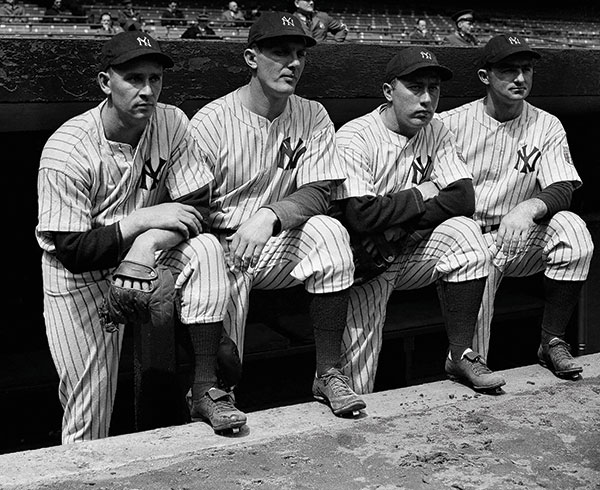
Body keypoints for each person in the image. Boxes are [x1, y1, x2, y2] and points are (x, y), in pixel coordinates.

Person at [36, 31, 239, 443]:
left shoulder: (171, 120)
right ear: (104, 82)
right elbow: (73, 250)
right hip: (80, 281)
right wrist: (141, 220)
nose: (147, 90)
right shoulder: (67, 150)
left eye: (155, 78)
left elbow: (197, 207)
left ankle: (204, 381)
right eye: (133, 78)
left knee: (204, 247)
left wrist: (146, 245)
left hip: (149, 256)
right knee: (88, 412)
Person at [188, 11, 366, 418]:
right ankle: (208, 392)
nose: (293, 63)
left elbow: (321, 191)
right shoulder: (211, 122)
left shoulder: (313, 114)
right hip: (221, 244)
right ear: (252, 58)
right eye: (280, 52)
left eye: (300, 54)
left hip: (277, 237)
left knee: (329, 232)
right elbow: (191, 205)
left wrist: (269, 216)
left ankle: (327, 372)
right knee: (224, 360)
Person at [331, 46, 505, 395]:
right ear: (388, 91)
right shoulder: (356, 136)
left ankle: (461, 353)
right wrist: (420, 193)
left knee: (465, 232)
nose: (426, 99)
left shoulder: (435, 130)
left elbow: (462, 198)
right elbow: (361, 215)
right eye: (415, 88)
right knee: (357, 371)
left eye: (433, 88)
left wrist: (400, 224)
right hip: (367, 260)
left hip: (409, 248)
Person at [438, 34, 594, 378]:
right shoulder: (449, 124)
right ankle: (463, 362)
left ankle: (552, 340)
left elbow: (563, 186)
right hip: (466, 241)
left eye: (526, 69)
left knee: (574, 230)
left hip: (519, 238)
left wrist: (528, 208)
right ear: (485, 76)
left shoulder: (546, 123)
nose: (520, 79)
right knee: (474, 356)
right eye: (509, 70)